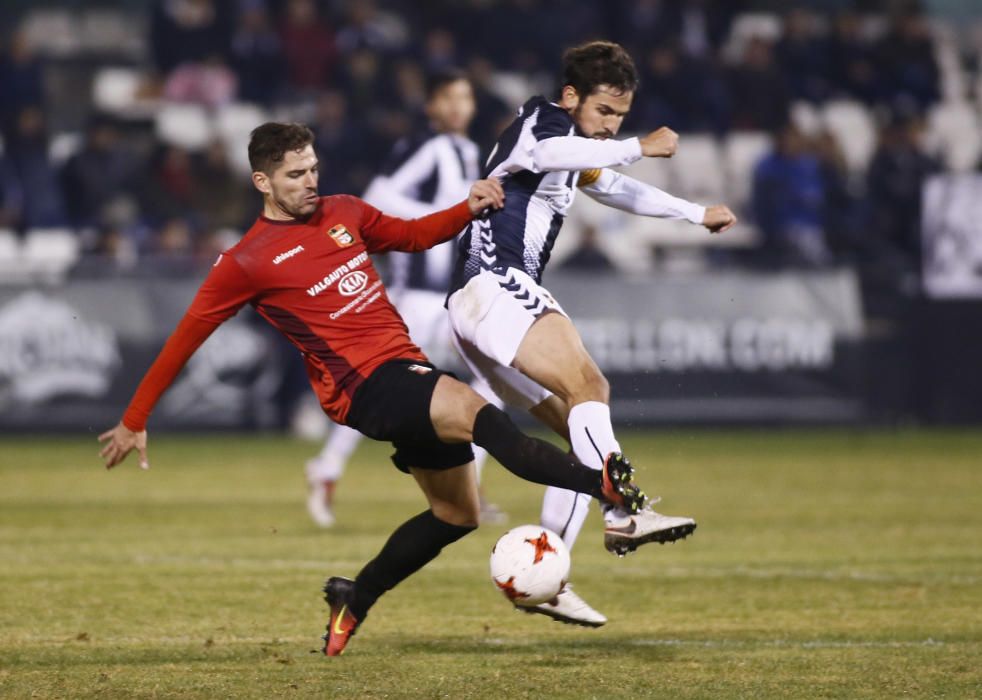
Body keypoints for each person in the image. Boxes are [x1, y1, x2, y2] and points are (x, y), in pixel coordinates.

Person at [97, 122, 650, 657]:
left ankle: (353, 598)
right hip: (364, 387)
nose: (309, 181)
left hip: (400, 369)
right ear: (262, 182)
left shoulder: (343, 210)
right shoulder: (246, 261)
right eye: (294, 175)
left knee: (457, 515)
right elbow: (184, 338)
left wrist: (468, 207)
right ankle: (609, 488)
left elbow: (411, 237)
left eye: (313, 168)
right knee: (484, 417)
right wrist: (135, 418)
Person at [446, 40, 737, 627]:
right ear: (572, 96)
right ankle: (625, 510)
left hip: (478, 308)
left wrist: (693, 212)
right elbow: (557, 150)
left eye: (620, 118)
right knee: (591, 387)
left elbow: (614, 187)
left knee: (583, 444)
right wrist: (638, 145)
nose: (609, 127)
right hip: (496, 283)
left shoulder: (576, 150)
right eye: (603, 113)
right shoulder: (541, 121)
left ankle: (549, 575)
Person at [304, 68, 505, 528]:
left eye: (464, 97)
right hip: (412, 297)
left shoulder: (470, 151)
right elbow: (378, 197)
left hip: (451, 296)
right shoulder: (425, 147)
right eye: (447, 97)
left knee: (495, 378)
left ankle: (470, 481)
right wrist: (446, 212)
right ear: (431, 106)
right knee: (373, 388)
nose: (457, 106)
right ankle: (326, 470)